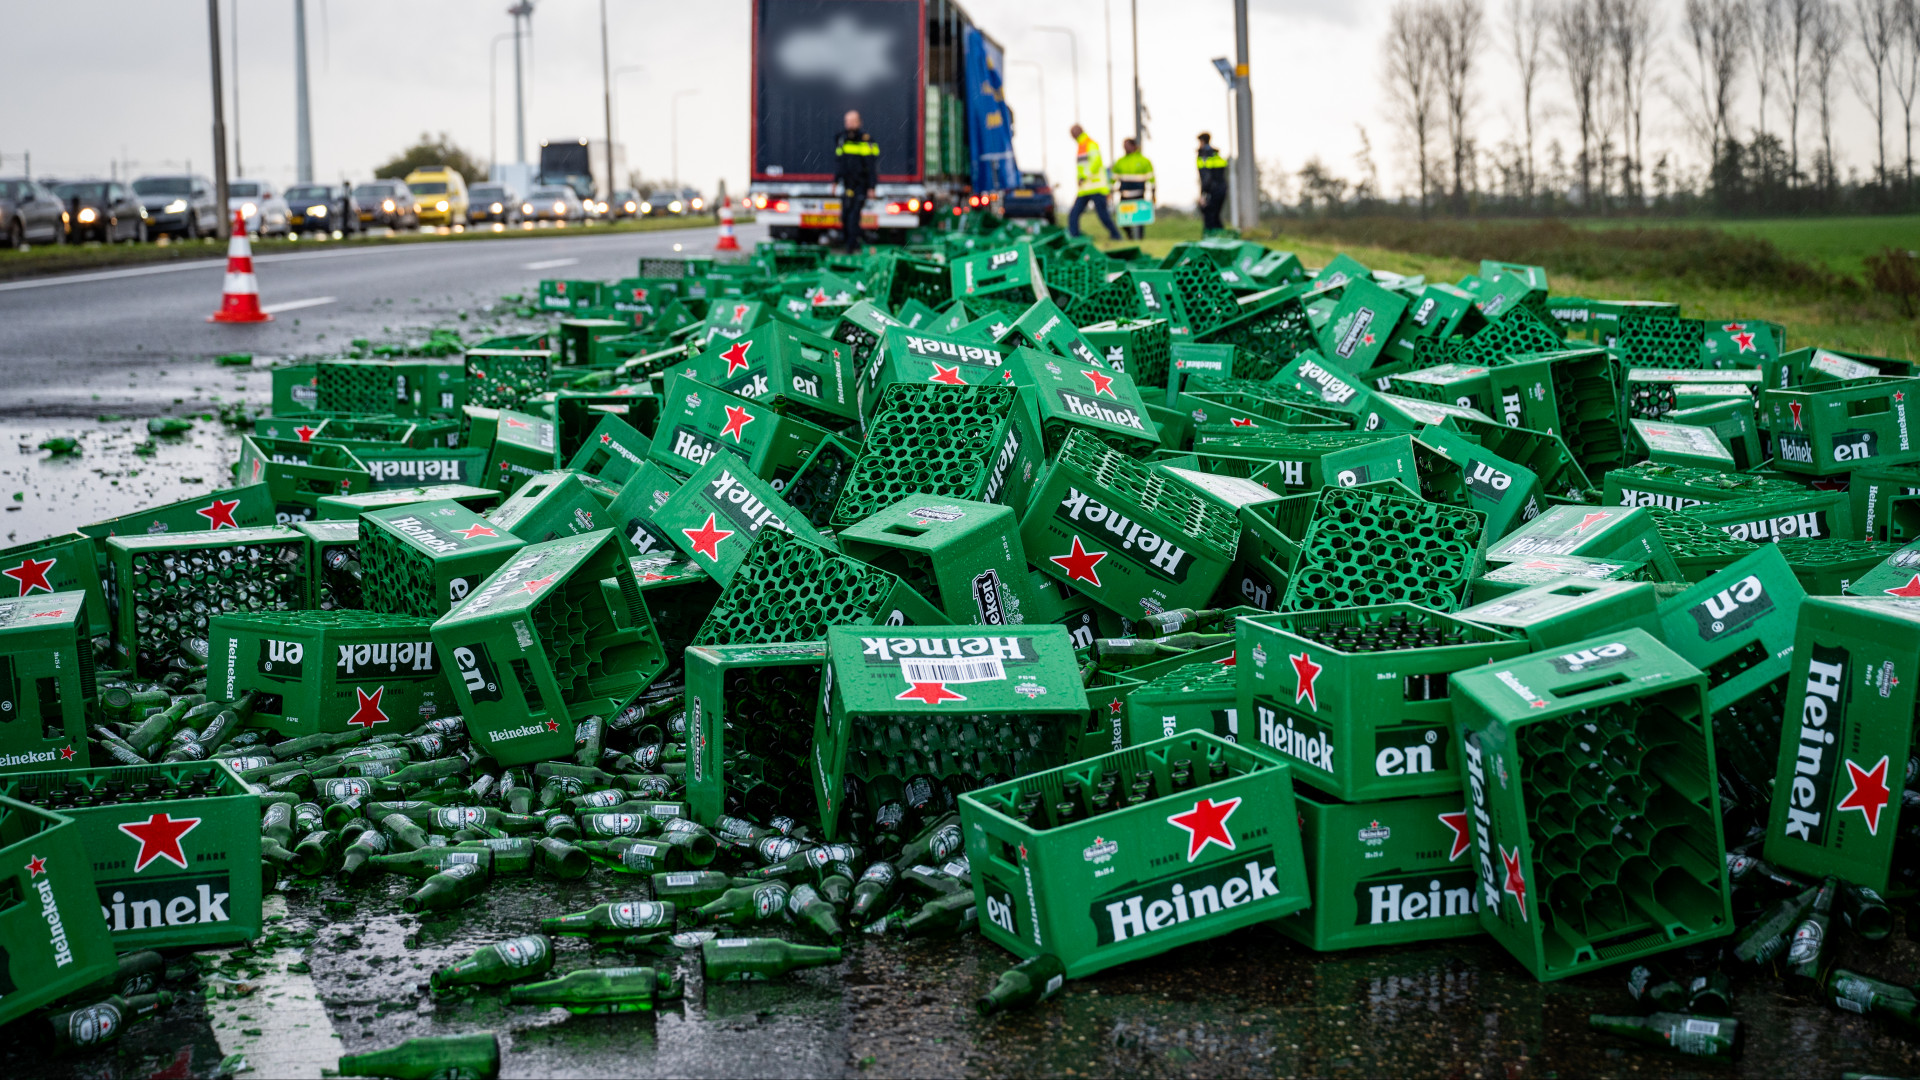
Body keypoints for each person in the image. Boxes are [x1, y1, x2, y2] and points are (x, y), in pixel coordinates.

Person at [834, 110, 880, 253]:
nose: (849, 124)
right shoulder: (842, 139)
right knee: (845, 215)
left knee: (854, 216)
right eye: (847, 121)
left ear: (859, 122)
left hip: (861, 184)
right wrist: (835, 181)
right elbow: (839, 164)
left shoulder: (866, 140)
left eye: (852, 121)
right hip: (847, 184)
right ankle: (850, 241)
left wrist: (871, 187)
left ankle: (852, 247)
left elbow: (871, 166)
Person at [1067, 124, 1120, 241]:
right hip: (1085, 188)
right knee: (1074, 214)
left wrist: (1084, 177)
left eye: (1073, 132)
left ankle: (1116, 235)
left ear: (1079, 131)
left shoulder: (1090, 144)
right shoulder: (1081, 146)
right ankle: (1074, 237)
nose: (1072, 135)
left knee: (1103, 215)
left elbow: (1096, 163)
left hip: (1096, 187)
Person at [1111, 138, 1155, 240]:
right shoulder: (1120, 162)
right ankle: (1130, 235)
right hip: (1124, 195)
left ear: (1134, 146)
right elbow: (1113, 179)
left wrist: (1153, 193)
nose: (1125, 148)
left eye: (1127, 145)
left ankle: (1139, 238)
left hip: (1139, 194)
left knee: (1139, 219)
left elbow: (1151, 178)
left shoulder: (1144, 161)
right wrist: (1110, 191)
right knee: (1123, 219)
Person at [1196, 132, 1229, 233]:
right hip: (1222, 188)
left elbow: (1206, 177)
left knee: (1209, 214)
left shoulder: (1203, 156)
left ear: (1202, 141)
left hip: (1212, 190)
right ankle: (1221, 237)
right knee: (1215, 215)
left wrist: (1203, 195)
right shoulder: (1216, 155)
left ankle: (1211, 239)